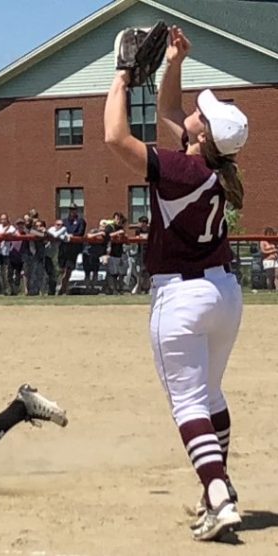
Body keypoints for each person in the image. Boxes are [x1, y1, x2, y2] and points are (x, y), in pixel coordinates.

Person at [104, 25, 248, 541]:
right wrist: (174, 62)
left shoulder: (182, 170)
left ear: (203, 134)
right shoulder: (208, 167)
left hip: (182, 297)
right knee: (208, 395)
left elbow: (114, 138)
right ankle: (219, 482)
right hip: (224, 295)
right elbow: (171, 111)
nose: (192, 112)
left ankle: (217, 495)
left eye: (200, 115)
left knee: (189, 404)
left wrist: (120, 78)